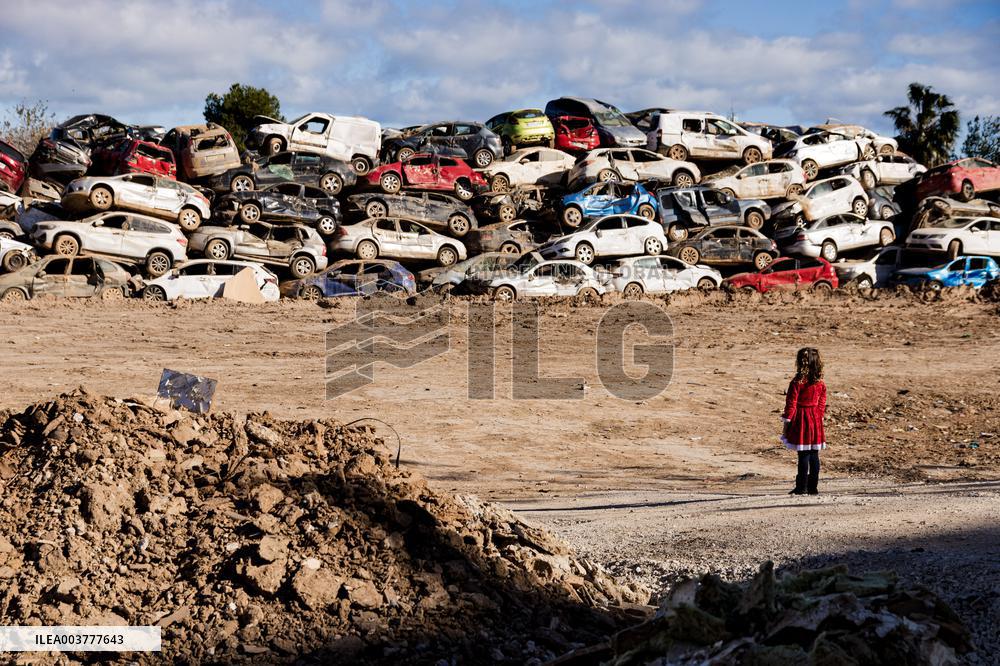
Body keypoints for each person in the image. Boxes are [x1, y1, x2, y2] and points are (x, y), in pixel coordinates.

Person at [782, 347, 827, 495]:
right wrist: (819, 415)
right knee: (814, 454)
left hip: (801, 419)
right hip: (815, 419)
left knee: (803, 455)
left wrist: (787, 422)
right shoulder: (820, 383)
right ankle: (813, 487)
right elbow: (822, 401)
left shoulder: (796, 382)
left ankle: (801, 487)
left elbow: (791, 403)